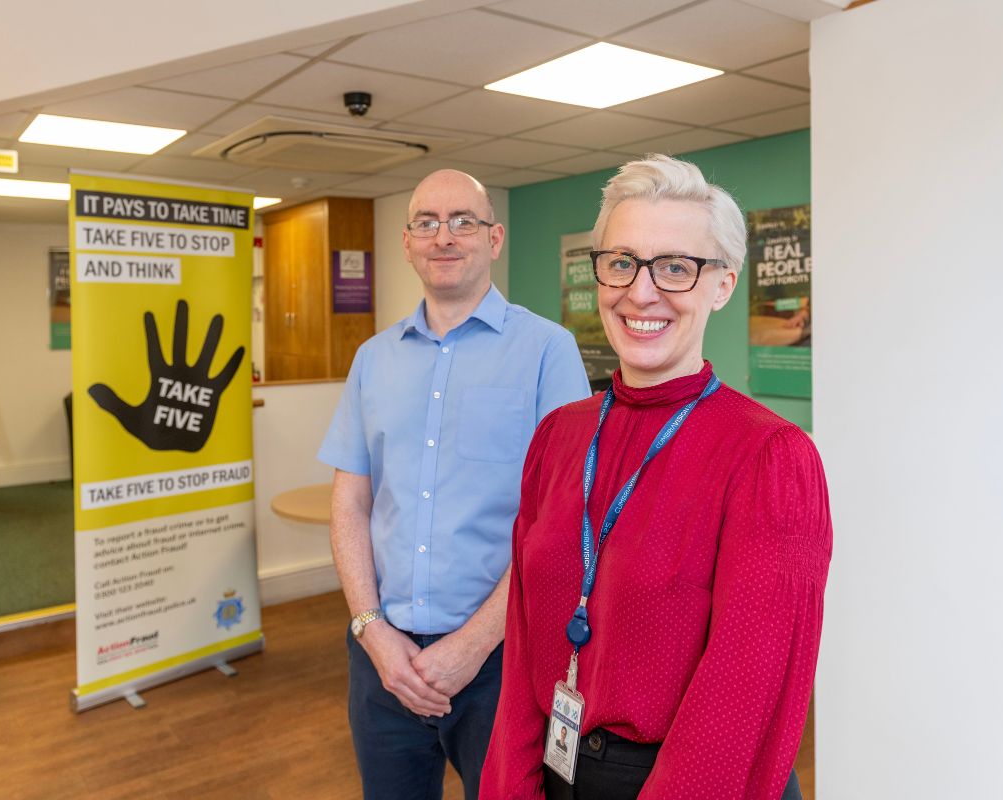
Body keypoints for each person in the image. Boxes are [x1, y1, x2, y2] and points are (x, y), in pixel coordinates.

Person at [479, 155, 832, 800]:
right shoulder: (558, 438)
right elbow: (527, 644)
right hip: (559, 768)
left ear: (722, 285)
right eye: (622, 262)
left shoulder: (771, 458)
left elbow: (743, 695)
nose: (641, 292)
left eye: (675, 266)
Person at [319, 169, 591, 800]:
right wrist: (370, 628)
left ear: (493, 239)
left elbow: (561, 521)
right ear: (408, 242)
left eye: (463, 221)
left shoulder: (548, 351)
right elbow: (351, 499)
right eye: (426, 223)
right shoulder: (373, 359)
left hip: (502, 660)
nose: (444, 236)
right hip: (380, 658)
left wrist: (470, 646)